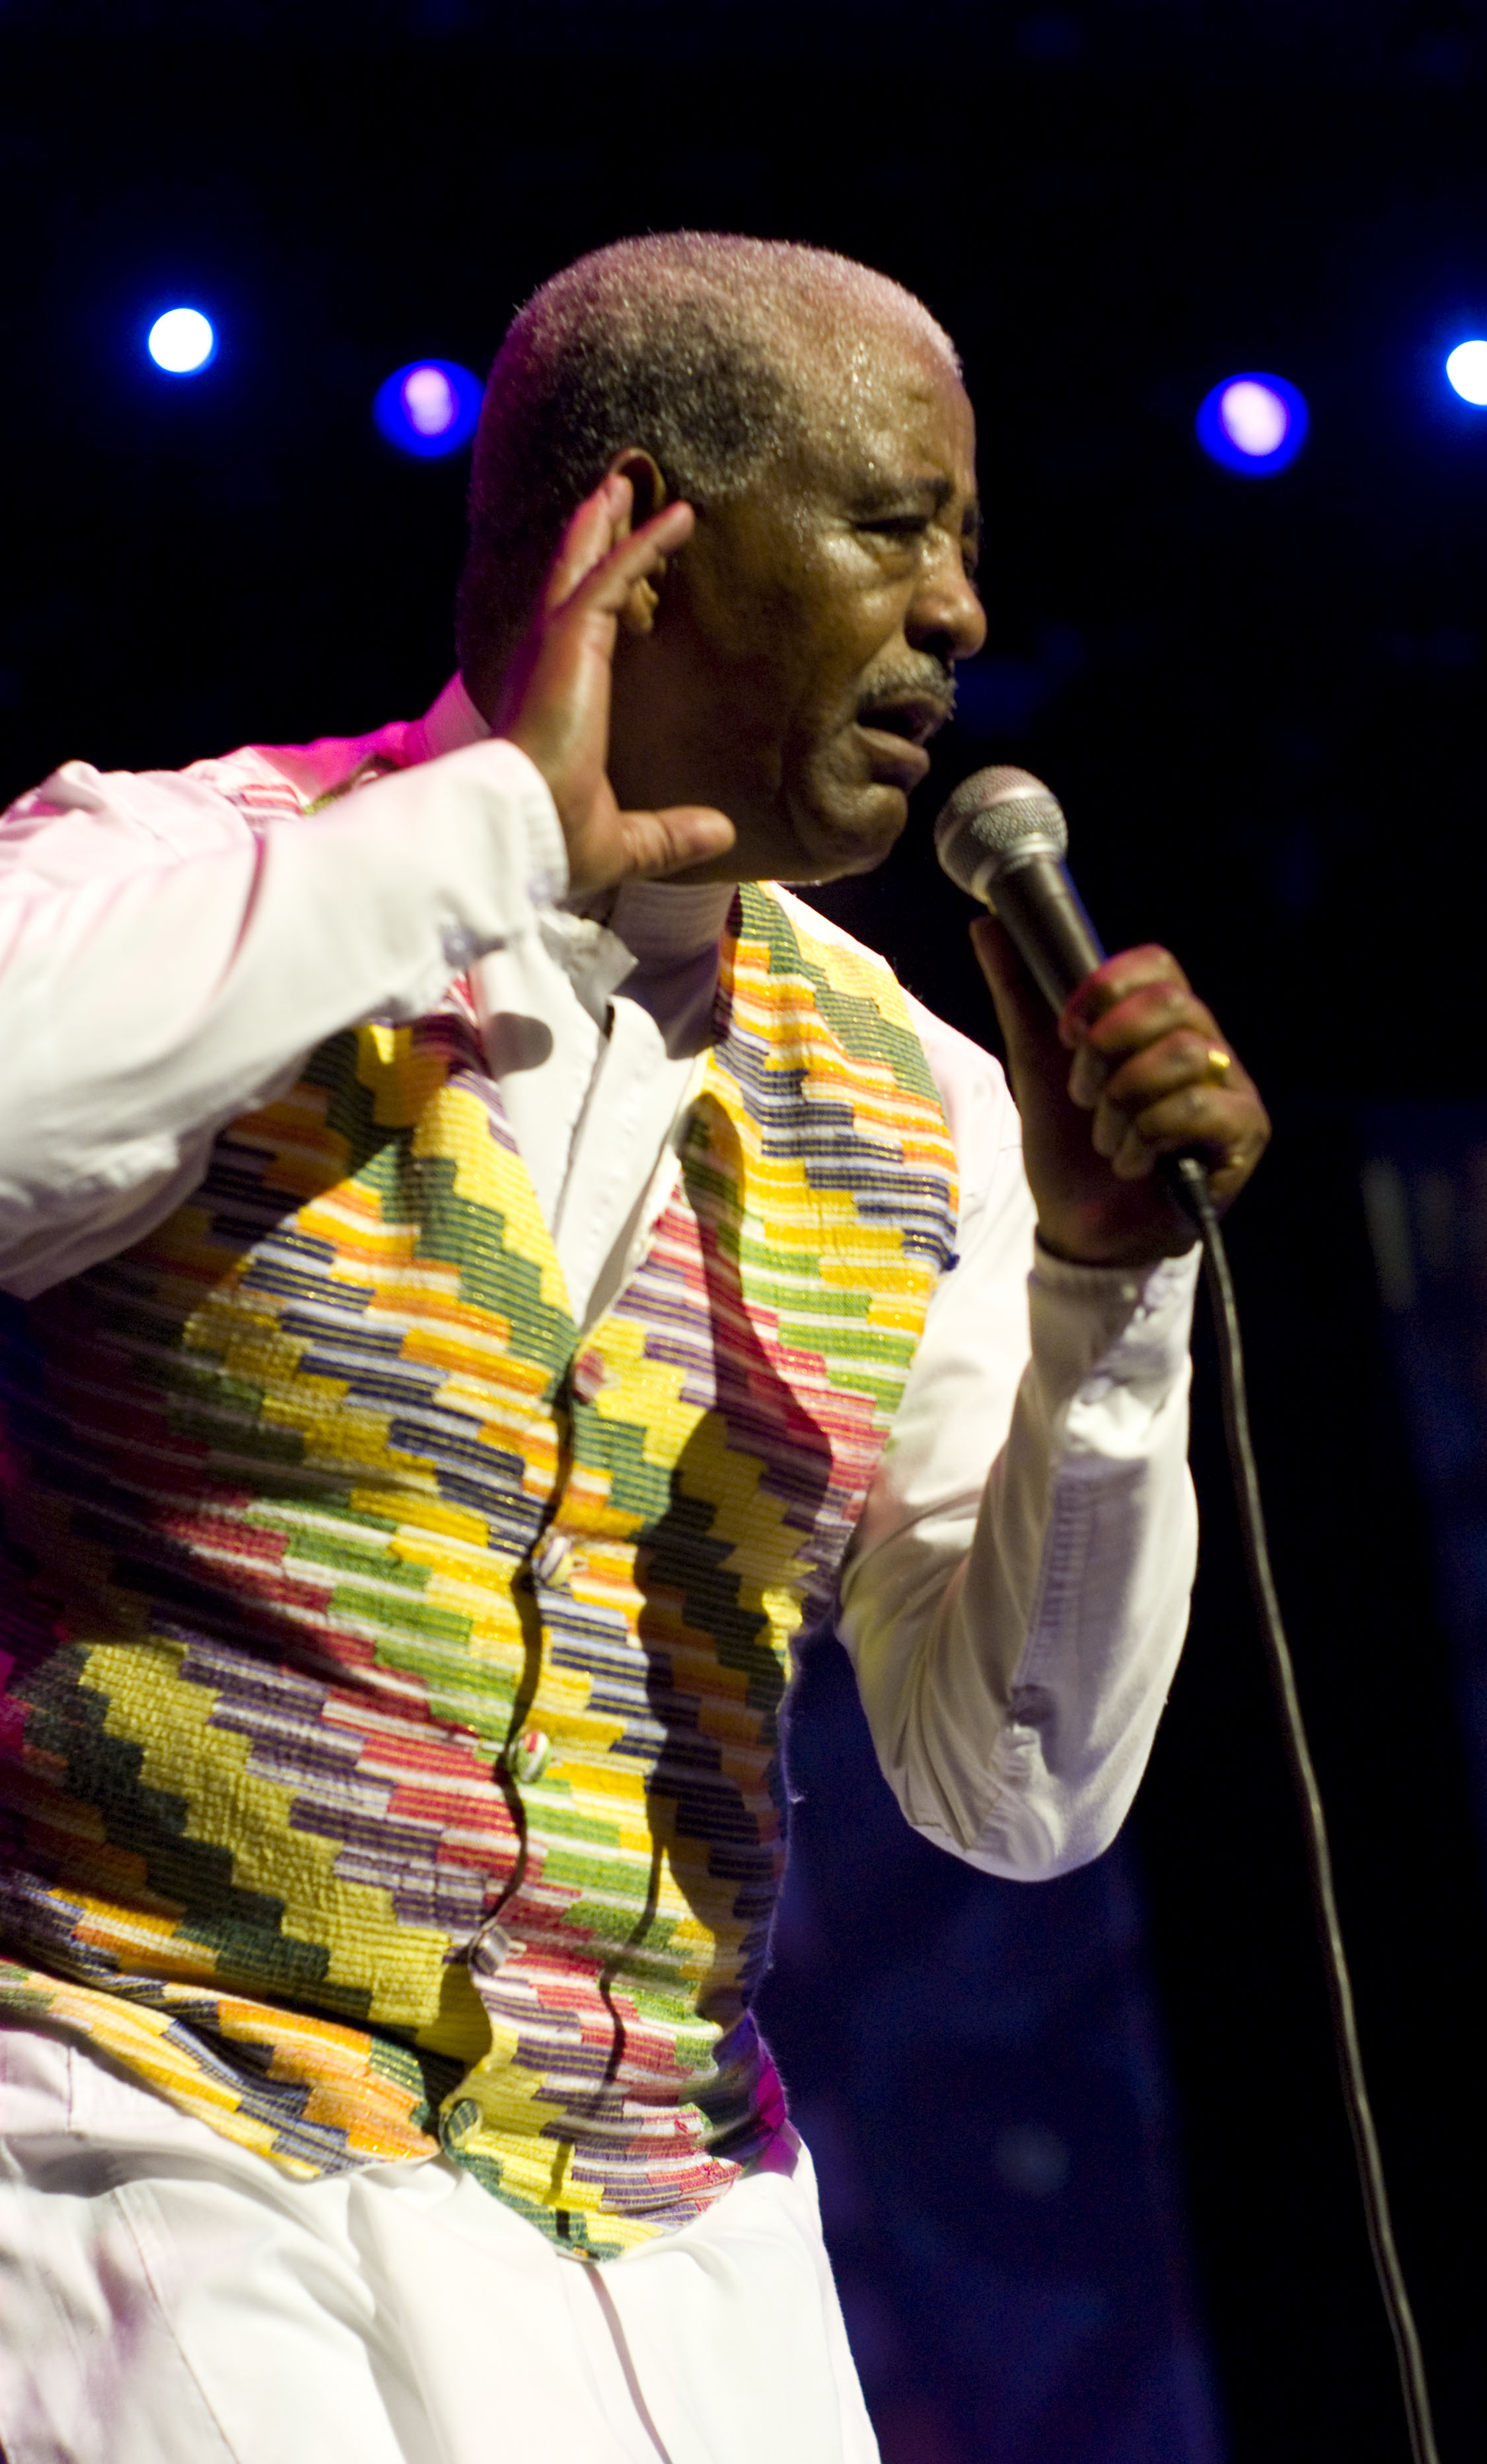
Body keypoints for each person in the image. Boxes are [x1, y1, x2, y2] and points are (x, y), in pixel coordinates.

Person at [0, 234, 1269, 2464]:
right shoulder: (192, 872)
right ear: (643, 539)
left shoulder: (918, 1099)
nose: (960, 613)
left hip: (671, 2254)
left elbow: (1022, 1792)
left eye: (965, 547)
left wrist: (1105, 1297)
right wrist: (489, 832)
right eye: (894, 527)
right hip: (154, 2146)